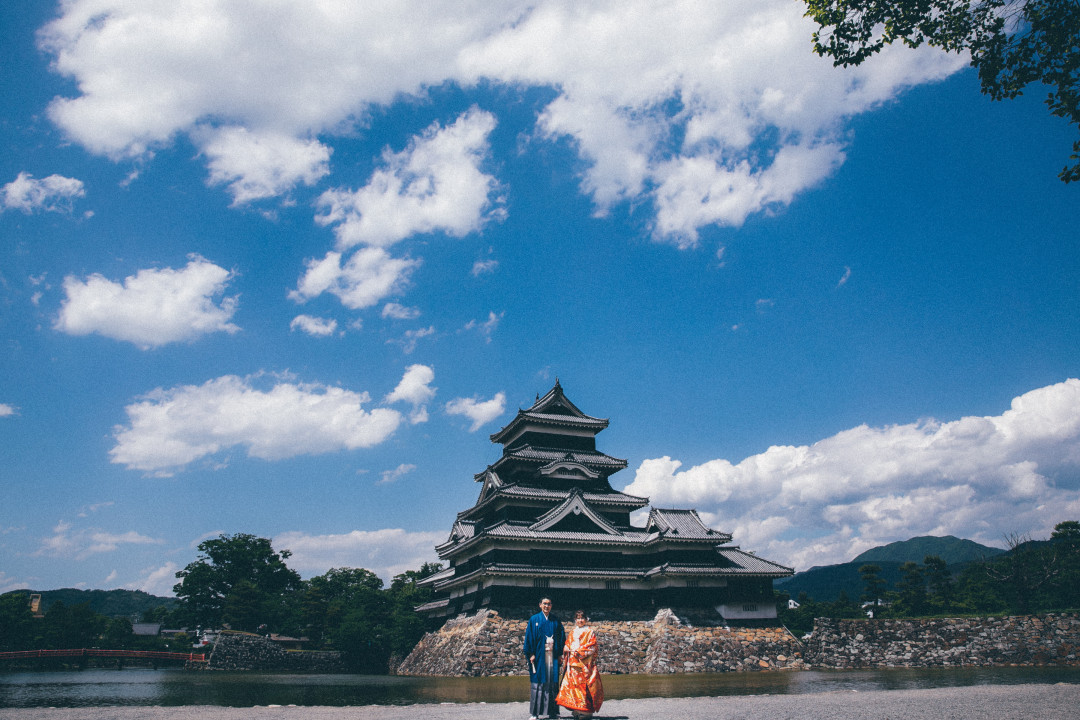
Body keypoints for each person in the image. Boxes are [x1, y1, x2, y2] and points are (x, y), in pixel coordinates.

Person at [556, 609, 604, 719]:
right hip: (572, 665)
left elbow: (592, 647)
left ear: (586, 619)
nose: (580, 620)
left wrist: (578, 651)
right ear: (575, 620)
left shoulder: (589, 632)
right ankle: (576, 709)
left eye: (582, 618)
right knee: (573, 687)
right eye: (578, 618)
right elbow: (567, 644)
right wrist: (566, 648)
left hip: (584, 665)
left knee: (584, 687)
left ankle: (586, 710)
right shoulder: (573, 632)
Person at [523, 597, 565, 720]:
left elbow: (561, 637)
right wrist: (530, 653)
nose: (547, 606)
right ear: (540, 605)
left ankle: (552, 712)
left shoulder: (555, 621)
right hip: (539, 655)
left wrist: (560, 654)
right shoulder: (534, 620)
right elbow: (529, 638)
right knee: (538, 683)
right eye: (544, 604)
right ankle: (535, 713)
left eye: (549, 604)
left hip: (552, 655)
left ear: (551, 606)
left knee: (552, 683)